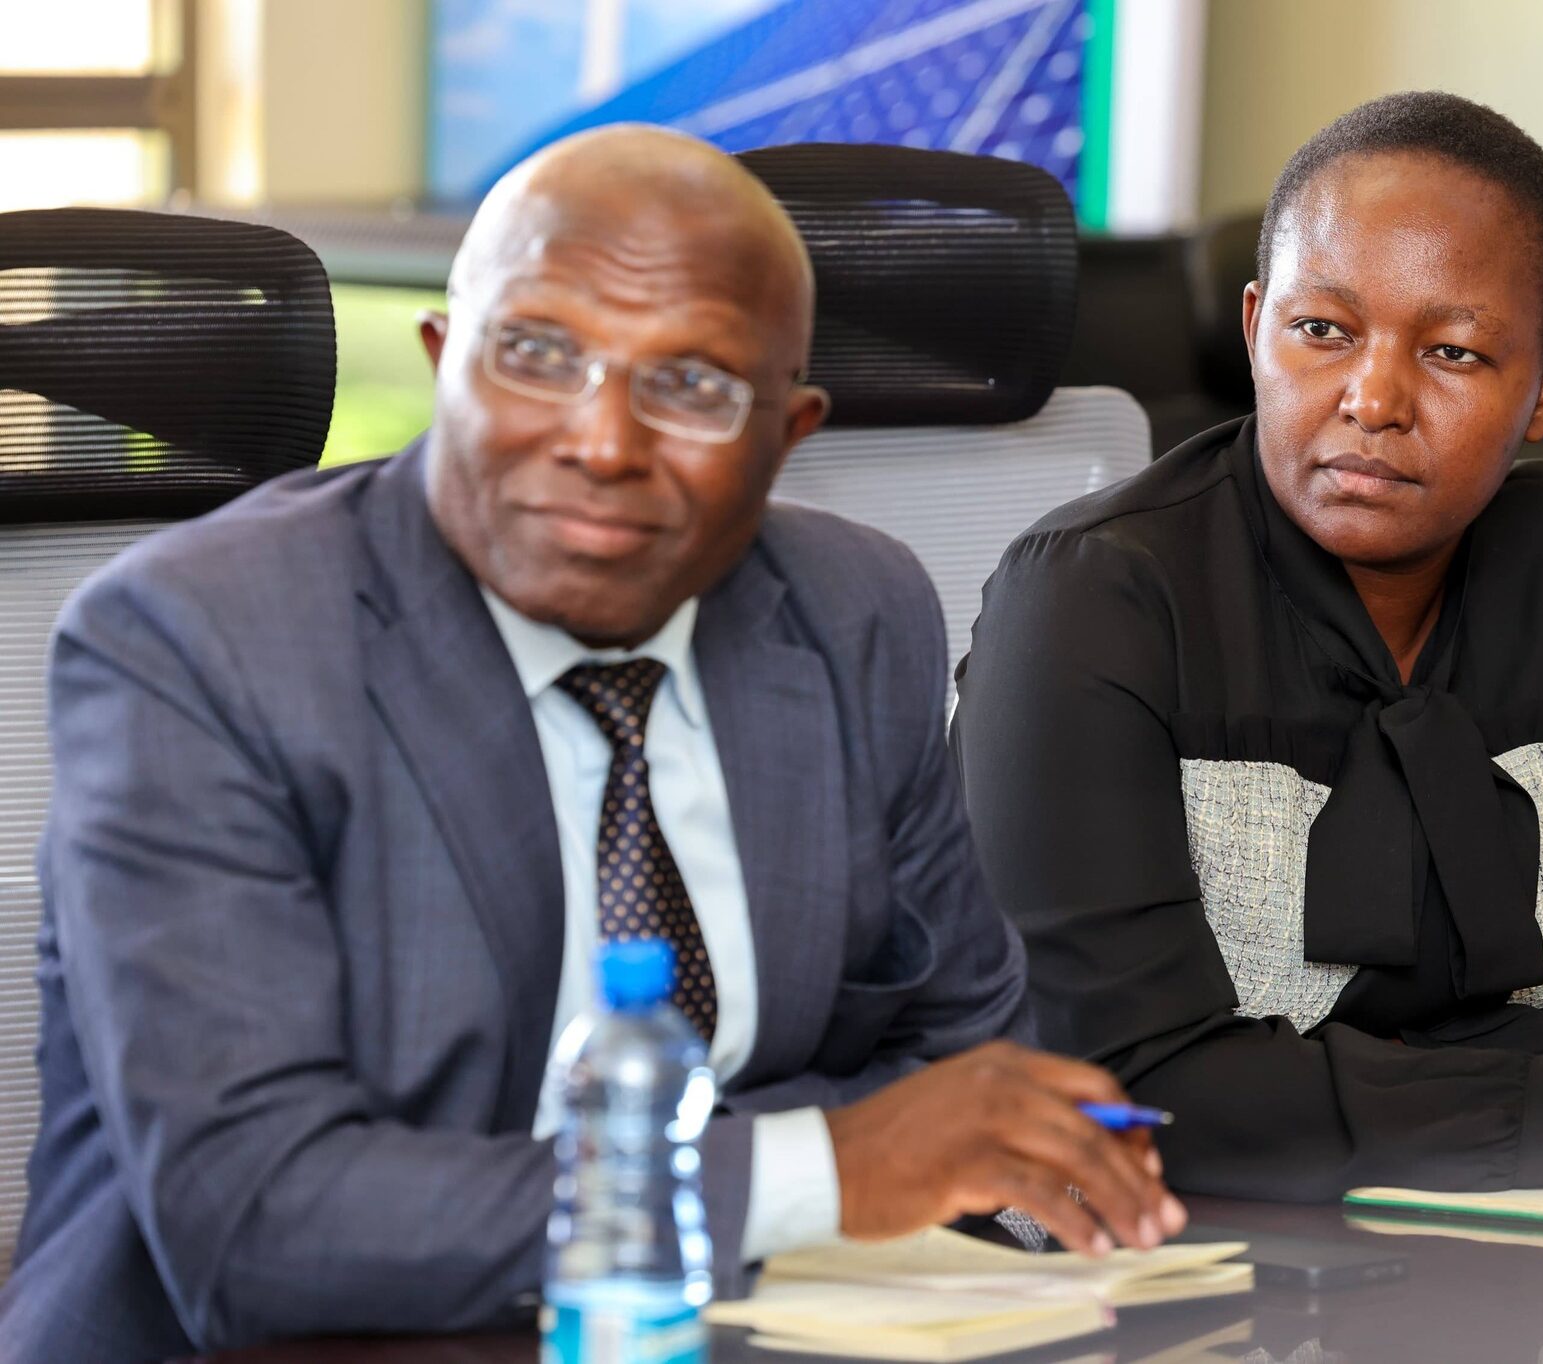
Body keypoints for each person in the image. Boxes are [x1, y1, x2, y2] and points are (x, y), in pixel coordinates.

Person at [2, 126, 1181, 1362]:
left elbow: (966, 1072)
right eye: (536, 355)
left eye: (692, 384)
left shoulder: (852, 610)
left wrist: (466, 1178)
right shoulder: (200, 636)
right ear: (445, 361)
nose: (603, 443)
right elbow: (262, 1223)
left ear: (788, 433)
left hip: (749, 1328)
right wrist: (821, 1163)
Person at [952, 92, 1543, 1211]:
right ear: (1257, 327)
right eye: (1322, 330)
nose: (1373, 400)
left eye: (1452, 350)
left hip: (1538, 1248)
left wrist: (1305, 1091)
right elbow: (1124, 1102)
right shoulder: (1088, 597)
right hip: (1155, 1269)